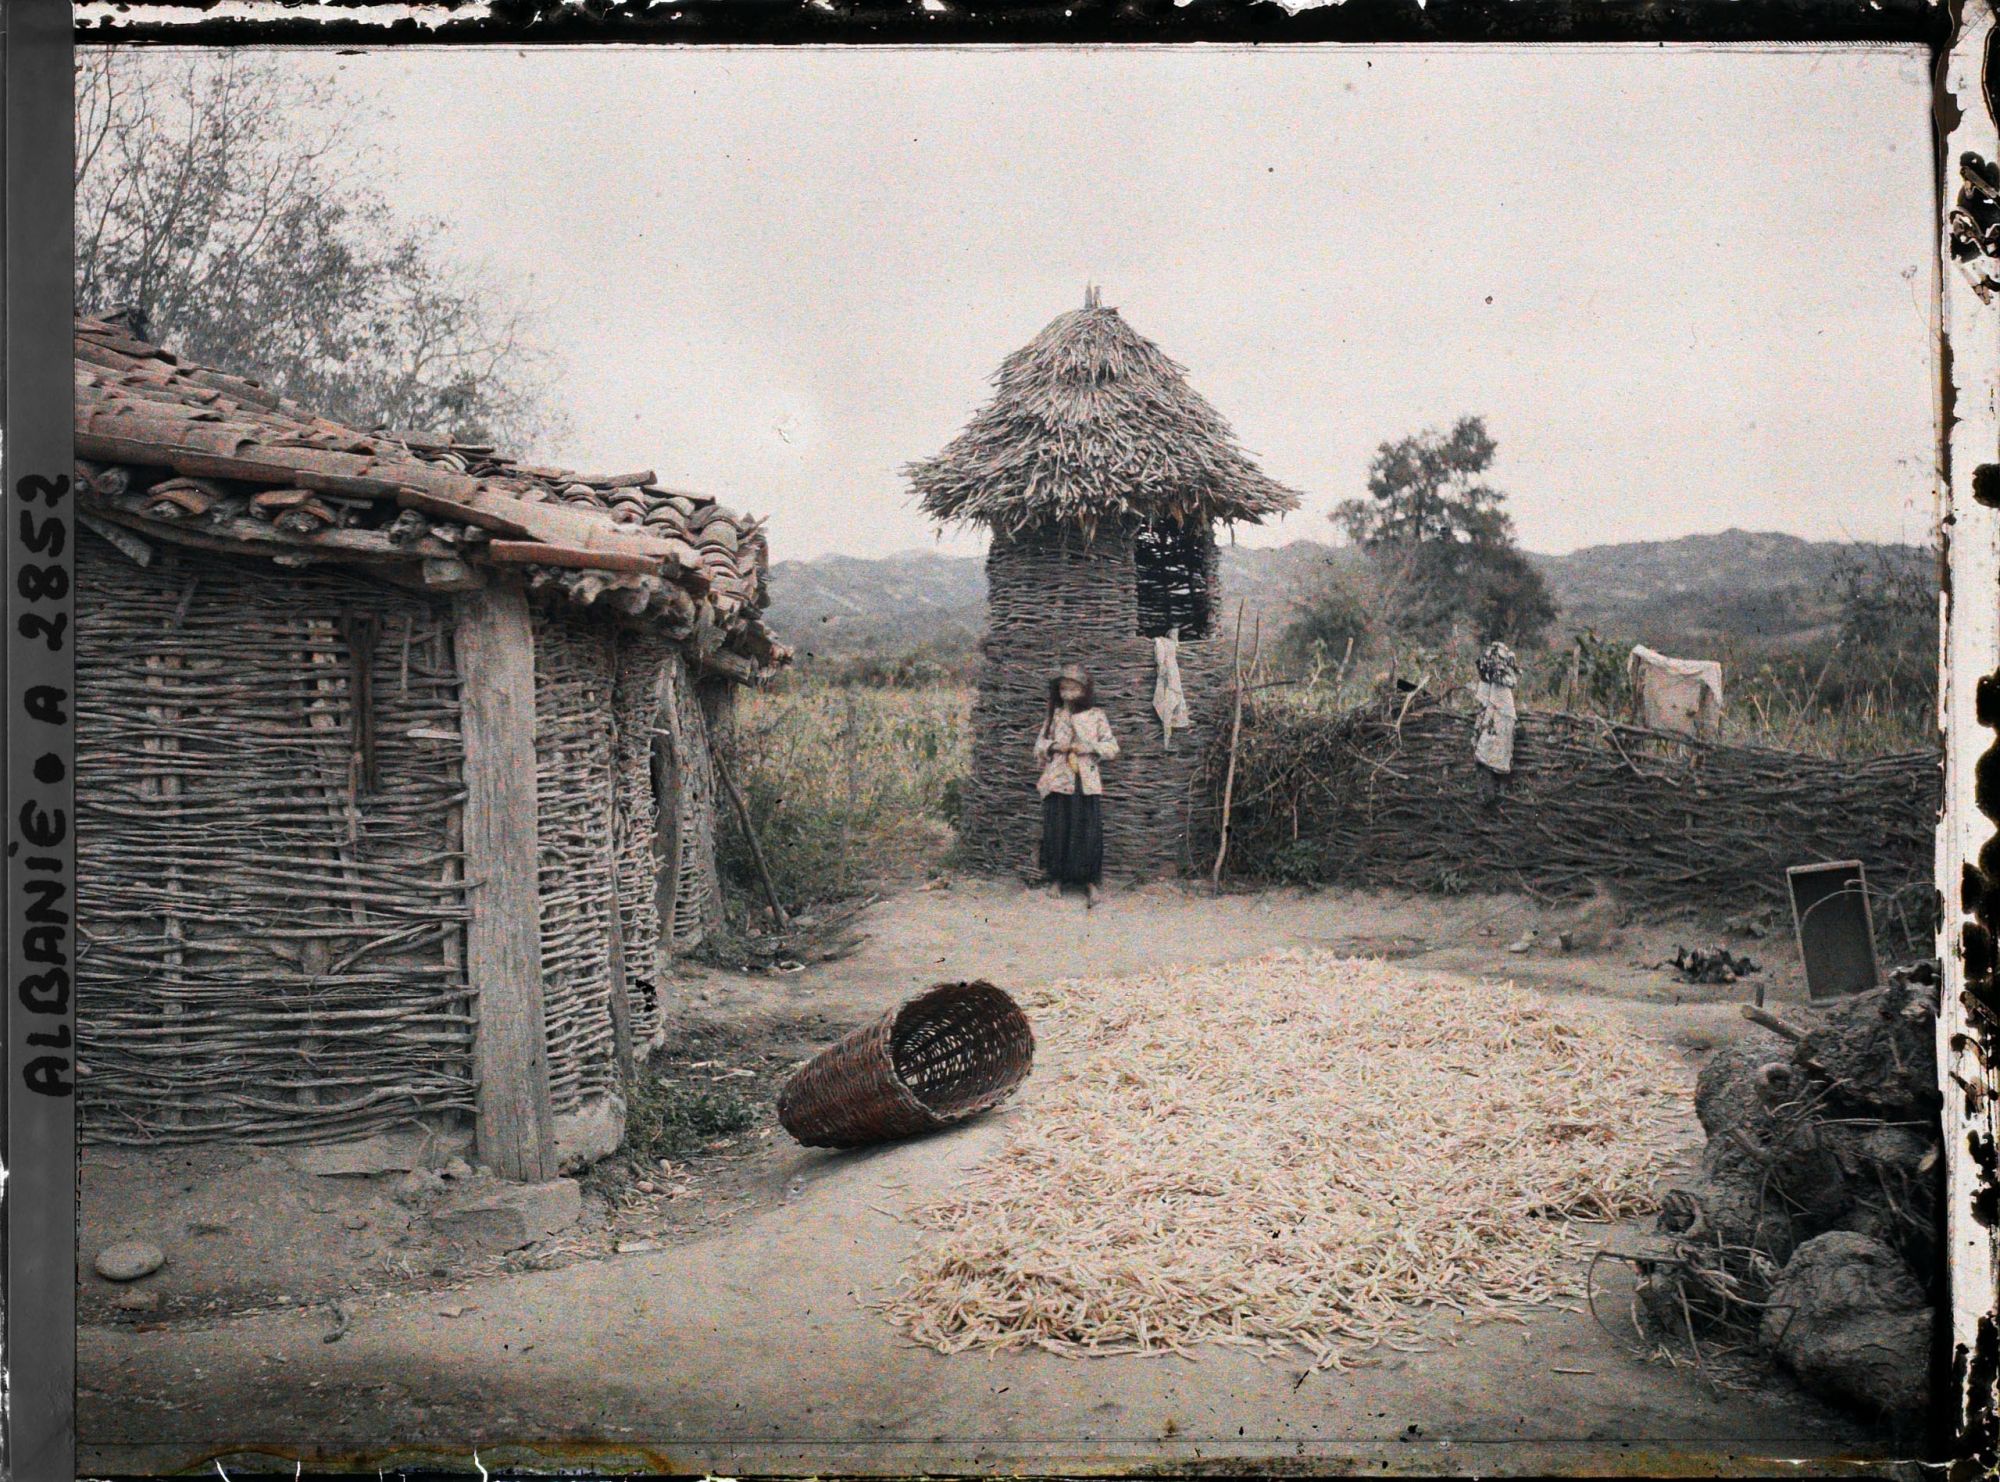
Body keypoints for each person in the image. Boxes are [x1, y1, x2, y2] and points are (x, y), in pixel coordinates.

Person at [1035, 663, 1119, 906]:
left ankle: (1090, 882)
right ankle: (1057, 879)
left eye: (1073, 688)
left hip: (1086, 781)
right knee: (1058, 829)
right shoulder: (1054, 716)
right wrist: (1054, 746)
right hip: (1059, 780)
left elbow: (1112, 747)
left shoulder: (1096, 716)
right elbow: (1039, 745)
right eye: (1063, 688)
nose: (1067, 693)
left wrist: (1089, 748)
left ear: (1084, 690)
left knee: (1087, 832)